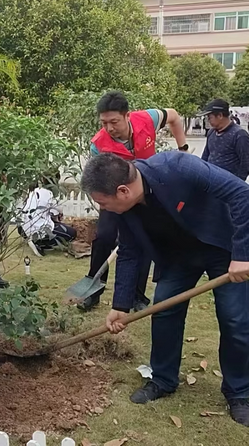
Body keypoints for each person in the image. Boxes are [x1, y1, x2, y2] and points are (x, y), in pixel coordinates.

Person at [81, 151, 249, 427]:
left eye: (103, 202)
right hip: (176, 257)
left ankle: (239, 392)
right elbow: (129, 251)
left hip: (223, 246)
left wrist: (242, 254)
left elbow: (242, 194)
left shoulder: (178, 167)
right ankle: (162, 379)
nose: (104, 209)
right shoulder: (124, 208)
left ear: (123, 191)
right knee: (164, 314)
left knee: (236, 319)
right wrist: (120, 305)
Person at [75, 91, 188, 312]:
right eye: (104, 122)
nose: (109, 128)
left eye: (114, 121)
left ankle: (137, 295)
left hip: (146, 192)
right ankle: (94, 290)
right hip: (114, 196)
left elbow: (174, 116)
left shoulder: (147, 119)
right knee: (105, 237)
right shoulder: (99, 144)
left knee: (144, 238)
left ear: (127, 116)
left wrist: (182, 149)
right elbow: (96, 178)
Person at [20, 181, 77, 256]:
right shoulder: (49, 193)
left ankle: (36, 240)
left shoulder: (34, 191)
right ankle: (40, 243)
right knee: (72, 233)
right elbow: (58, 212)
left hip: (24, 228)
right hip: (39, 229)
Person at [201, 99, 249, 181]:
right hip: (210, 183)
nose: (208, 120)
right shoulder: (211, 133)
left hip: (229, 185)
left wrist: (238, 183)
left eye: (210, 117)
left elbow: (246, 163)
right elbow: (205, 156)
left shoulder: (239, 135)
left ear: (220, 115)